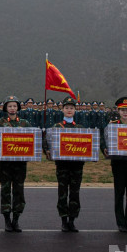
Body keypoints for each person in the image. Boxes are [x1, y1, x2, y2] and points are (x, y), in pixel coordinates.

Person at [0, 95, 28, 232]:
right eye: (10, 106)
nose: (12, 108)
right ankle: (7, 220)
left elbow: (32, 138)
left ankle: (16, 219)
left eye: (15, 106)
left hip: (20, 164)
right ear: (5, 108)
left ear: (18, 108)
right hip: (5, 165)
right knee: (5, 191)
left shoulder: (25, 123)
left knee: (18, 191)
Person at [45, 96, 84, 232]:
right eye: (66, 108)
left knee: (75, 193)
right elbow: (47, 141)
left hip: (77, 167)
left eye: (71, 108)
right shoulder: (56, 127)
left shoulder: (80, 128)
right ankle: (63, 219)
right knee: (62, 193)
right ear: (62, 110)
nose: (69, 110)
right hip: (62, 166)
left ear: (75, 110)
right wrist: (47, 150)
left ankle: (72, 220)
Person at [102, 96, 127, 233]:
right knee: (119, 193)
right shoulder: (112, 126)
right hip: (118, 163)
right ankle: (120, 222)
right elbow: (104, 139)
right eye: (122, 110)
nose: (125, 112)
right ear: (118, 111)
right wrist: (104, 149)